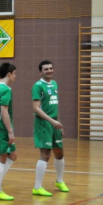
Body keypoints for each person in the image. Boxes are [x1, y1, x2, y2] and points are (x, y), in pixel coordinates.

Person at [32, 60, 69, 196]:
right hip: (43, 124)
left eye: (51, 68)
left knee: (59, 153)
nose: (49, 71)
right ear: (40, 72)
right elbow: (36, 109)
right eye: (46, 69)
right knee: (45, 155)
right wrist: (52, 121)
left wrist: (59, 123)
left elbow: (55, 106)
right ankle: (37, 187)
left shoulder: (54, 84)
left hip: (54, 124)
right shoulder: (37, 86)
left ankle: (59, 181)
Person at [0, 62, 18, 201]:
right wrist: (10, 132)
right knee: (1, 159)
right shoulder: (5, 89)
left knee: (13, 155)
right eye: (14, 74)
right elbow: (4, 111)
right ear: (9, 74)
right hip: (0, 128)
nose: (15, 77)